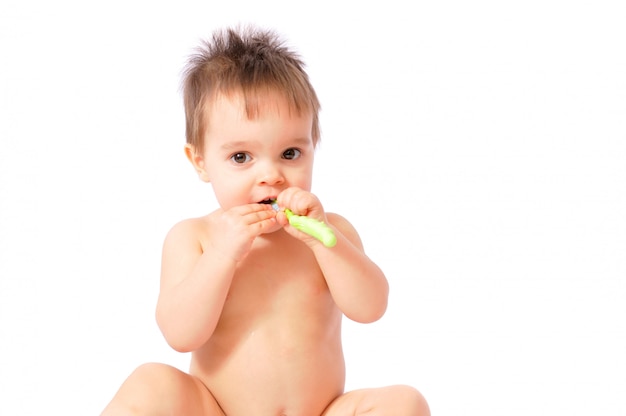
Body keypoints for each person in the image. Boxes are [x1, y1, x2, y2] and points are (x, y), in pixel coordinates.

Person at [101, 26, 430, 416]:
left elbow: (371, 307)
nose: (271, 175)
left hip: (320, 411)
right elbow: (180, 335)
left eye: (290, 153)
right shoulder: (197, 238)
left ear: (312, 148)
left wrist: (325, 243)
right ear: (201, 162)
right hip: (217, 410)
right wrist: (222, 255)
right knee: (151, 384)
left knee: (405, 402)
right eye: (241, 157)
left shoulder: (331, 232)